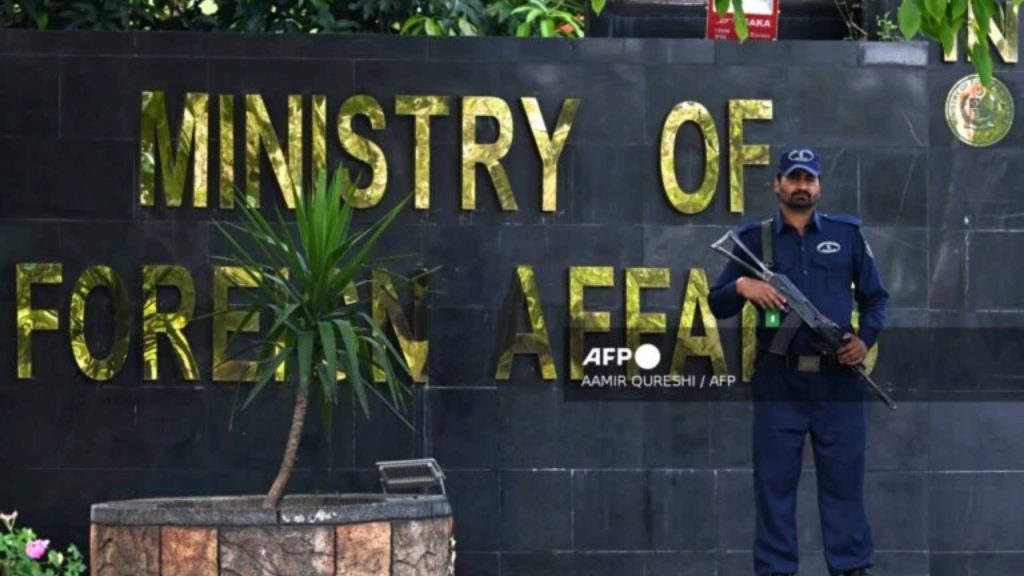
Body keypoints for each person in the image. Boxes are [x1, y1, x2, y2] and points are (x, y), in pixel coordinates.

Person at [708, 148, 890, 576]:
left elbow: (877, 299)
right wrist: (742, 285)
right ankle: (775, 571)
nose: (802, 186)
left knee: (844, 487)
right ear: (777, 184)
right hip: (779, 384)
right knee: (774, 489)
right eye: (794, 178)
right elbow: (717, 304)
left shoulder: (846, 236)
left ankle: (851, 569)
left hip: (838, 382)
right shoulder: (755, 240)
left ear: (819, 186)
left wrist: (863, 341)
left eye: (809, 179)